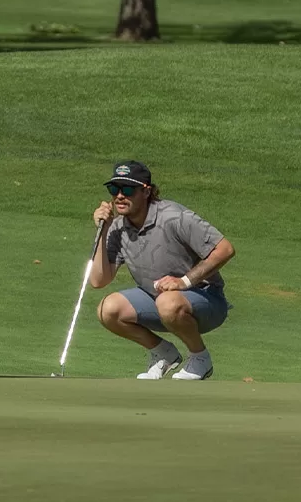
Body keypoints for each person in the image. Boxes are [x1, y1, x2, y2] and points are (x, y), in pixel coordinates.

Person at [88, 161, 236, 380]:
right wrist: (103, 230)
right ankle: (163, 353)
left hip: (206, 300)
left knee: (167, 302)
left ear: (146, 191)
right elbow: (98, 280)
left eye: (127, 189)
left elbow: (225, 249)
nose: (119, 196)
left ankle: (200, 358)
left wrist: (184, 281)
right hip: (157, 300)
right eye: (114, 189)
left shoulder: (174, 216)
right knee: (107, 309)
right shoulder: (118, 227)